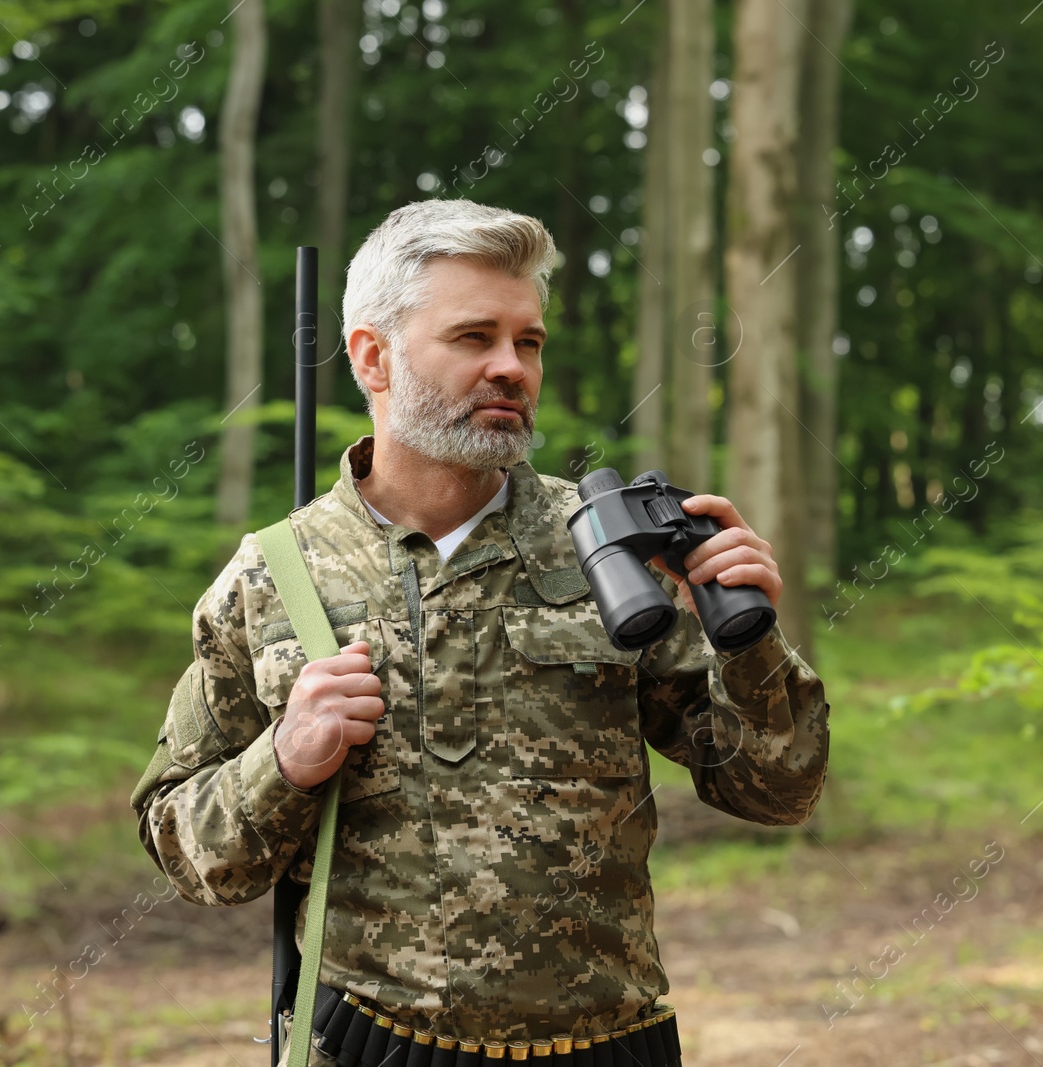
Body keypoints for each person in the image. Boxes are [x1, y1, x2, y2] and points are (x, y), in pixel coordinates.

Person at [130, 199, 830, 1062]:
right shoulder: (273, 577)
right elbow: (187, 852)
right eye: (474, 337)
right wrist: (283, 764)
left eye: (528, 342)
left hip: (609, 1043)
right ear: (373, 356)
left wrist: (749, 644)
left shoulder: (611, 551)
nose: (511, 367)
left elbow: (777, 790)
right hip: (370, 1042)